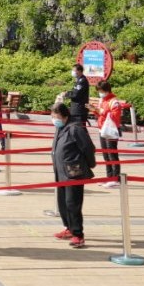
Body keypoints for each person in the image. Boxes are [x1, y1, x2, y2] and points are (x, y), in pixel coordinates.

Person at [50, 102, 95, 249]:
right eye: (52, 116)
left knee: (72, 203)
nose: (54, 120)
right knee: (63, 203)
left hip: (73, 172)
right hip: (61, 172)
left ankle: (78, 234)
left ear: (65, 116)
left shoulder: (75, 129)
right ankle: (68, 227)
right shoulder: (60, 128)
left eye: (56, 117)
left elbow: (88, 147)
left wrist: (90, 164)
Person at [95, 80, 123, 187]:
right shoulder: (102, 100)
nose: (100, 93)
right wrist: (94, 110)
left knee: (112, 154)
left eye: (101, 91)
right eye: (99, 91)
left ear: (107, 90)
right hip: (102, 129)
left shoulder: (114, 101)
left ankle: (116, 179)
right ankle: (109, 177)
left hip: (110, 130)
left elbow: (115, 116)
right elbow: (100, 113)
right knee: (106, 155)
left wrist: (102, 111)